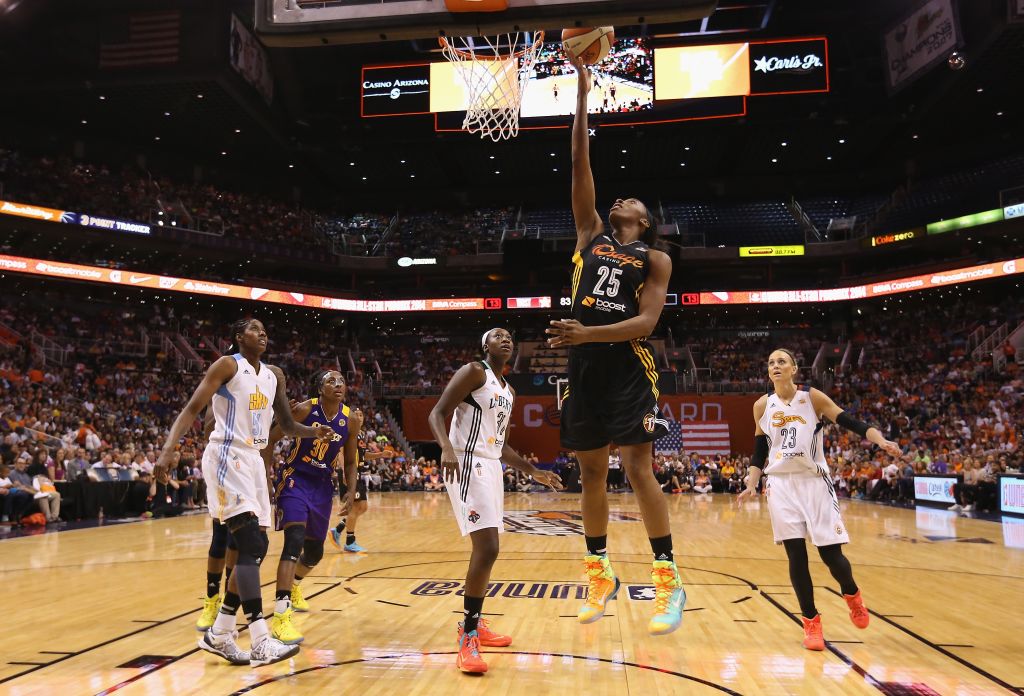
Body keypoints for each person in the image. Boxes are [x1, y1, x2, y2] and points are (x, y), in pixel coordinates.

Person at [545, 55, 684, 637]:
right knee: (592, 473)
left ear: (644, 222)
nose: (621, 200)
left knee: (638, 468)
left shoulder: (655, 258)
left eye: (633, 203)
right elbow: (580, 160)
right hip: (584, 365)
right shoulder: (588, 234)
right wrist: (581, 90)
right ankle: (599, 571)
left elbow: (645, 325)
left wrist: (586, 333)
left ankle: (668, 578)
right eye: (616, 198)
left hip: (627, 363)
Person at [157, 318, 332, 667]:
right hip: (226, 453)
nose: (263, 333)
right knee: (250, 545)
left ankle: (220, 634)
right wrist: (168, 449)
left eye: (265, 329)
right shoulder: (227, 365)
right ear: (238, 337)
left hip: (254, 462)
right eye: (254, 328)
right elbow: (192, 409)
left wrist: (313, 432)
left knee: (257, 546)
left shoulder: (273, 375)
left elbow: (285, 424)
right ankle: (259, 640)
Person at [738, 348, 902, 651]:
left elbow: (850, 421)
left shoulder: (811, 398)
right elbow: (759, 450)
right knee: (796, 558)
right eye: (771, 362)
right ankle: (811, 623)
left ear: (794, 368)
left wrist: (880, 440)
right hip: (780, 486)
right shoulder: (762, 405)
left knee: (831, 556)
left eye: (781, 362)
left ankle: (852, 595)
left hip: (814, 482)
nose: (775, 366)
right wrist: (751, 480)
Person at [428, 328, 562, 674]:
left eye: (509, 337)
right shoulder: (474, 371)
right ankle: (468, 634)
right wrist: (445, 447)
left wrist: (534, 470)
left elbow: (500, 445)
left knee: (490, 549)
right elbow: (437, 412)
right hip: (465, 460)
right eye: (497, 335)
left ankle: (475, 622)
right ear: (485, 345)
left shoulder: (509, 390)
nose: (505, 339)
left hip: (490, 464)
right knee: (486, 548)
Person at [264, 370, 362, 645]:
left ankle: (294, 584)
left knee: (315, 552)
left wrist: (351, 489)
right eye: (331, 381)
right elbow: (271, 439)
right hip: (295, 478)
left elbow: (351, 461)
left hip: (322, 485)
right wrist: (266, 476)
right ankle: (281, 617)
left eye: (341, 380)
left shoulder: (350, 419)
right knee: (293, 541)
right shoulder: (305, 409)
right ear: (319, 388)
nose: (338, 384)